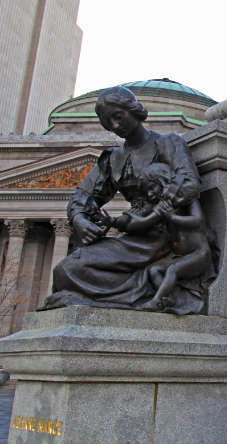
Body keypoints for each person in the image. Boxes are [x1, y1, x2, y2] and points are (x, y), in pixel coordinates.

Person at [44, 86, 216, 314]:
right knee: (65, 270)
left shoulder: (167, 143)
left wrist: (154, 213)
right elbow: (83, 196)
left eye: (118, 116)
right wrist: (80, 220)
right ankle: (119, 299)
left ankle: (131, 296)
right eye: (108, 122)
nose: (116, 126)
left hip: (164, 237)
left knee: (69, 271)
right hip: (133, 237)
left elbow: (189, 182)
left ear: (133, 110)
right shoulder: (114, 158)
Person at [107, 163, 213, 312]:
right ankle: (168, 297)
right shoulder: (163, 206)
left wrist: (172, 217)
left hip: (199, 254)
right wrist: (120, 220)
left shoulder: (186, 198)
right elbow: (144, 222)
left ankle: (156, 301)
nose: (149, 195)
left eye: (151, 188)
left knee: (172, 270)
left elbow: (197, 221)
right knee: (153, 270)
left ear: (162, 181)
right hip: (179, 256)